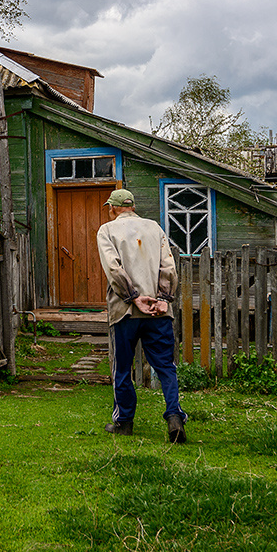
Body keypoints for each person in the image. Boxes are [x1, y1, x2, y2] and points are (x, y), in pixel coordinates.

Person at [95, 189, 187, 442]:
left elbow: (114, 268)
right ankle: (174, 417)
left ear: (112, 208)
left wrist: (133, 297)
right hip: (158, 311)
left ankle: (124, 422)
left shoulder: (107, 230)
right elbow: (168, 266)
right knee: (166, 367)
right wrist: (162, 299)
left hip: (125, 312)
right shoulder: (155, 228)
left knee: (122, 368)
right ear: (133, 207)